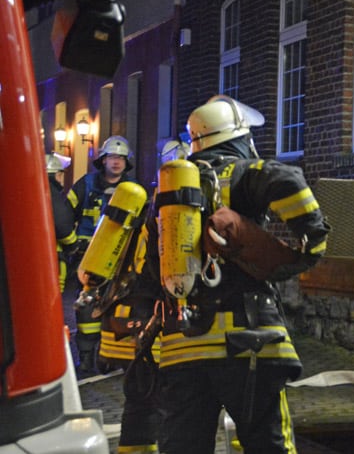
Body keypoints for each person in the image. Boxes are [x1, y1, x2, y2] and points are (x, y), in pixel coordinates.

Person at [138, 95, 329, 453]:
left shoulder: (167, 195)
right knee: (268, 445)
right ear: (239, 137)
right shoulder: (245, 173)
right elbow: (289, 182)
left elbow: (151, 269)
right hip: (249, 342)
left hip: (182, 346)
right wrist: (304, 249)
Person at [93, 140, 192, 453]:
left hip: (122, 324)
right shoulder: (179, 214)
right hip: (153, 328)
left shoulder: (139, 205)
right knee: (166, 405)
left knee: (139, 403)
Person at [67, 135, 139, 375]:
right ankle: (87, 357)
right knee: (87, 305)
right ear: (103, 160)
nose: (116, 162)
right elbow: (64, 215)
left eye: (121, 158)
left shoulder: (133, 190)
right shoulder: (86, 184)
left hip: (122, 257)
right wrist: (71, 242)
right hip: (89, 256)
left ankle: (112, 355)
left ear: (126, 163)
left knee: (119, 304)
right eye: (112, 157)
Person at [46, 152, 77, 293]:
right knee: (54, 291)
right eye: (60, 175)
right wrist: (73, 244)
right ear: (56, 175)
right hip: (52, 253)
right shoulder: (51, 193)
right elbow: (62, 225)